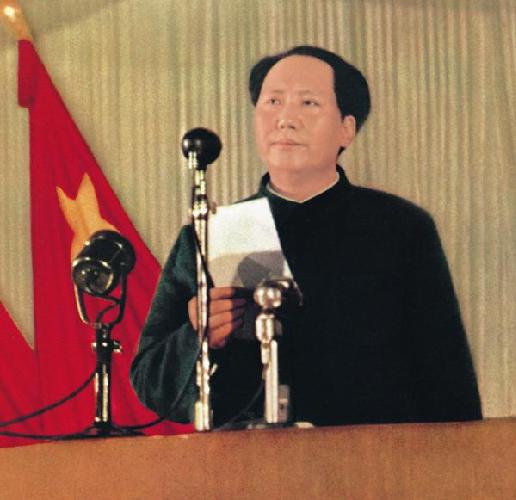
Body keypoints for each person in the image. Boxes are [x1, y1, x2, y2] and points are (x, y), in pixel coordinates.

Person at [130, 46, 482, 427]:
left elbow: (449, 382)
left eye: (308, 103)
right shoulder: (211, 232)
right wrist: (197, 337)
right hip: (245, 460)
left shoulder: (401, 229)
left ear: (346, 128)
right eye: (273, 102)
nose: (286, 119)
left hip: (375, 457)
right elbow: (149, 381)